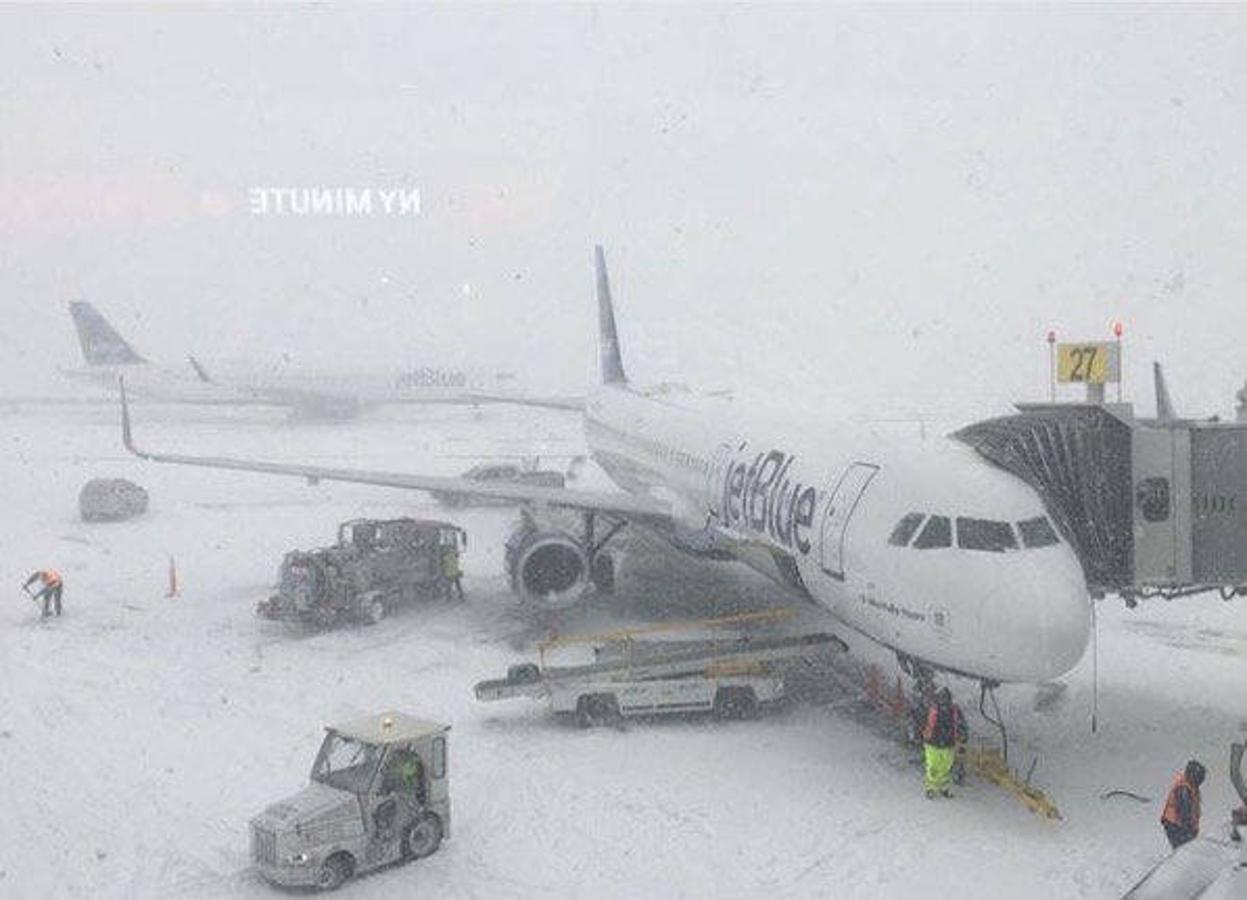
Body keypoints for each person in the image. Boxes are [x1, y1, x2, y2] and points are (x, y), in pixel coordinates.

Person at [922, 687, 965, 798]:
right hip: (935, 744)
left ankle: (943, 788)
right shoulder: (935, 709)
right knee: (934, 767)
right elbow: (960, 725)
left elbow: (960, 725)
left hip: (944, 743)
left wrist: (961, 737)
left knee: (944, 767)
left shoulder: (952, 711)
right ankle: (931, 788)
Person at [1161, 759, 1206, 850]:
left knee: (1185, 847)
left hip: (1179, 825)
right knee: (1184, 848)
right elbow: (1184, 811)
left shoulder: (1191, 786)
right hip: (1176, 825)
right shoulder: (1184, 789)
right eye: (1199, 777)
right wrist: (1189, 829)